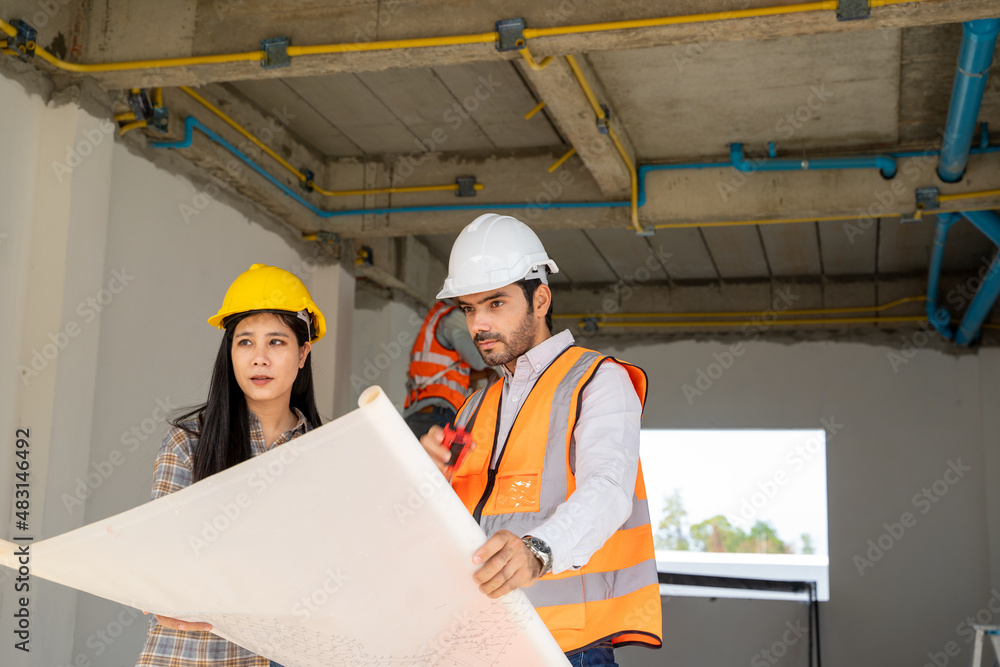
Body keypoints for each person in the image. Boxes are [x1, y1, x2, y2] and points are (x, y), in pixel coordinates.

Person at [419, 214, 662, 667]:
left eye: (495, 303)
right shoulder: (474, 406)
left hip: (565, 648)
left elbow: (609, 490)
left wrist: (537, 552)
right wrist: (422, 481)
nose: (479, 325)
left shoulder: (598, 381)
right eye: (469, 309)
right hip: (475, 643)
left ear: (541, 299)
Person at [135, 263, 325, 667]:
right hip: (189, 656)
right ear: (230, 352)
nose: (259, 358)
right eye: (245, 343)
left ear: (303, 352)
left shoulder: (325, 453)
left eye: (276, 342)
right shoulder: (190, 443)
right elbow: (164, 558)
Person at [403, 299, 490, 438]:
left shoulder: (436, 316)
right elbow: (479, 359)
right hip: (437, 416)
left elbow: (450, 373)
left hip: (420, 414)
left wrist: (485, 374)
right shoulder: (452, 318)